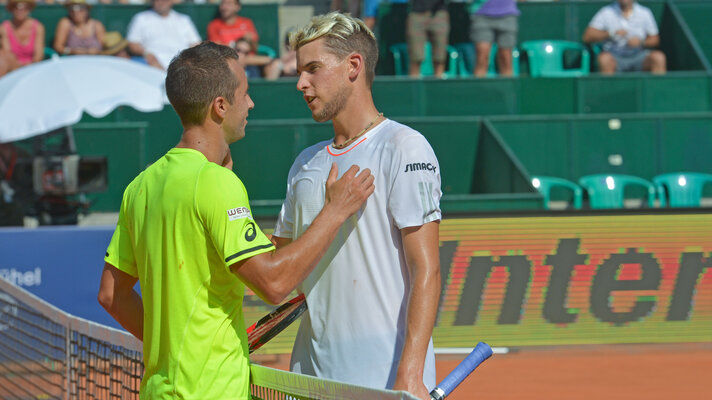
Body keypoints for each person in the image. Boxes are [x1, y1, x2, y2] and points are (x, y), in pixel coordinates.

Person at [97, 41, 374, 398]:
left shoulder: (141, 186)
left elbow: (111, 294)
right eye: (245, 93)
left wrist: (177, 349)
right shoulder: (216, 183)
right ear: (220, 106)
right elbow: (273, 283)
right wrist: (334, 211)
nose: (251, 103)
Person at [273, 12, 441, 400]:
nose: (301, 83)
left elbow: (426, 268)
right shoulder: (305, 163)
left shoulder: (404, 146)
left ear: (353, 66)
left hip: (384, 380)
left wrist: (411, 373)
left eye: (313, 69)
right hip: (310, 379)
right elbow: (280, 266)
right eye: (300, 71)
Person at [583, 0, 666, 74]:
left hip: (638, 56)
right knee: (604, 59)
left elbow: (655, 39)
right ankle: (607, 90)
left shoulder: (645, 12)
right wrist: (611, 33)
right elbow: (587, 36)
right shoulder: (606, 12)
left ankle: (659, 90)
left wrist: (641, 42)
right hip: (614, 56)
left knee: (658, 57)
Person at [125, 0, 201, 70]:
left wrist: (188, 61)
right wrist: (147, 54)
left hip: (182, 67)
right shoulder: (141, 18)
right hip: (152, 67)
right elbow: (133, 44)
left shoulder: (184, 20)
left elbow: (196, 43)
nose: (161, 2)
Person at [469, 0, 519, 77]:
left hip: (508, 14)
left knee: (506, 56)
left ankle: (507, 87)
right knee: (482, 56)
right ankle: (478, 87)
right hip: (481, 13)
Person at [407, 0, 450, 78]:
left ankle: (438, 86)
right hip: (416, 13)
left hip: (439, 14)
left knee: (440, 57)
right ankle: (413, 88)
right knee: (416, 57)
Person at [0, 0, 45, 68]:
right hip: (12, 69)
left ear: (29, 9)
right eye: (16, 7)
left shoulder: (38, 27)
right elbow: (8, 55)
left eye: (25, 7)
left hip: (33, 68)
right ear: (12, 9)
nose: (20, 10)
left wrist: (28, 67)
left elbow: (38, 57)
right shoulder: (4, 28)